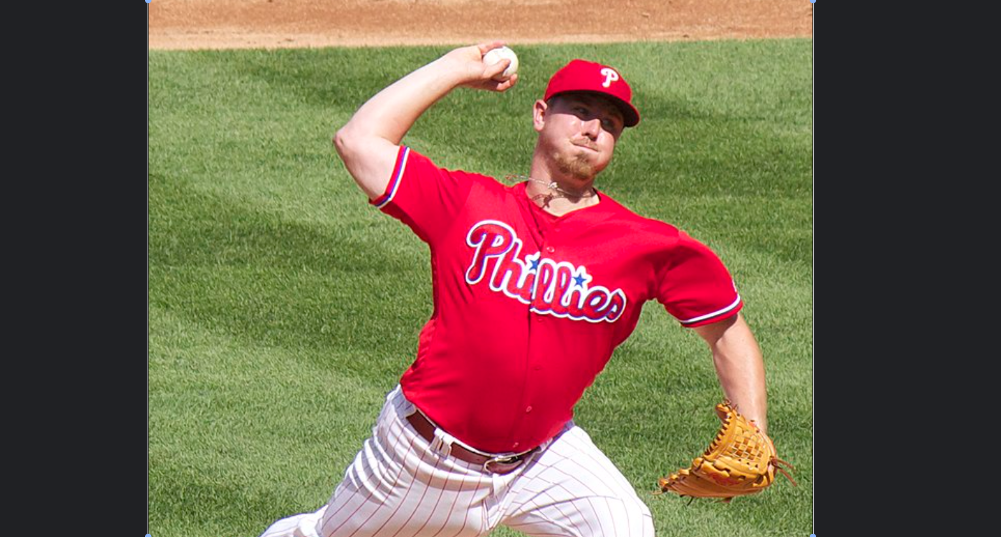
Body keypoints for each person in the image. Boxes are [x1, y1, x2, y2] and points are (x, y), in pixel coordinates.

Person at [257, 41, 769, 537]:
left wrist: (753, 430)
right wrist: (457, 67)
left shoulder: (647, 245)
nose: (594, 129)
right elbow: (359, 140)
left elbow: (726, 329)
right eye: (581, 112)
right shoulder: (466, 203)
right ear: (540, 114)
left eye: (610, 124)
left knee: (624, 527)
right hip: (423, 461)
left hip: (543, 459)